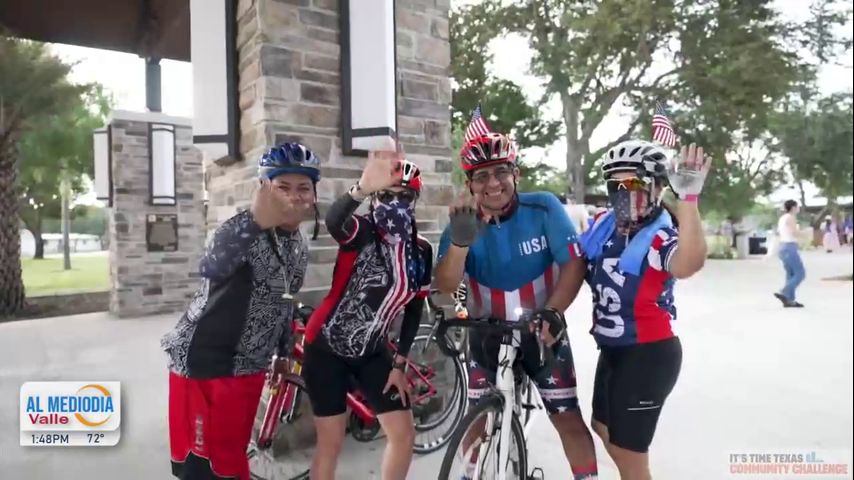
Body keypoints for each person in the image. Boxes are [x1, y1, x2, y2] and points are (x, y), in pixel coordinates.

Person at [434, 132, 599, 480]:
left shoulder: (544, 208)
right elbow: (446, 285)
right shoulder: (462, 219)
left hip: (541, 330)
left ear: (516, 174)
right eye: (482, 176)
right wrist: (460, 243)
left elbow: (574, 264)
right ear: (470, 184)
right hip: (486, 333)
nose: (493, 183)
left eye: (501, 172)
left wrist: (553, 311)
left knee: (567, 418)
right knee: (475, 421)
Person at [161, 142, 320, 480]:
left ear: (314, 195)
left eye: (303, 188)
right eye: (283, 187)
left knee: (231, 461)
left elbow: (285, 300)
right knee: (205, 470)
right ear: (264, 189)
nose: (294, 196)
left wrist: (282, 352)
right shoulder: (240, 230)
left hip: (249, 367)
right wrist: (253, 222)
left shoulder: (298, 245)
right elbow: (212, 266)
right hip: (206, 366)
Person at [579, 141, 710, 480]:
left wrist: (689, 200)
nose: (625, 194)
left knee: (630, 455)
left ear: (657, 187)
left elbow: (688, 263)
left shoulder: (659, 235)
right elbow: (570, 262)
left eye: (634, 184)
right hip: (613, 350)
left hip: (647, 354)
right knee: (602, 427)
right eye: (616, 186)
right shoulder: (604, 226)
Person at [301, 149, 432, 480]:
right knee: (331, 444)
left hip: (373, 350)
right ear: (375, 198)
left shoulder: (421, 250)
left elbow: (415, 306)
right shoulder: (361, 231)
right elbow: (334, 221)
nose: (395, 203)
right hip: (326, 348)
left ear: (415, 201)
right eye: (386, 195)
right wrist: (360, 189)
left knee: (403, 434)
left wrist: (400, 364)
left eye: (404, 197)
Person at [775, 200, 805, 308]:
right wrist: (806, 234)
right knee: (800, 273)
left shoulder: (782, 218)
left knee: (790, 274)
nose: (798, 208)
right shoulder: (790, 217)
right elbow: (794, 233)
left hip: (782, 247)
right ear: (793, 208)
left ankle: (789, 300)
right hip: (789, 247)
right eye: (797, 206)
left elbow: (779, 234)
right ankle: (784, 291)